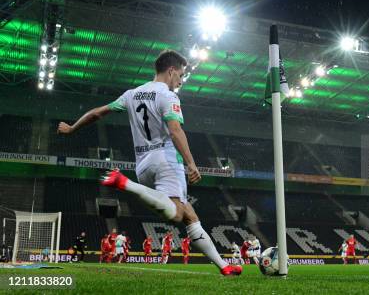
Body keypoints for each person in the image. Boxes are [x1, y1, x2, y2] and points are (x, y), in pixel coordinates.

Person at [57, 50, 241, 276]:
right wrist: (191, 163)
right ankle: (126, 184)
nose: (181, 81)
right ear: (171, 71)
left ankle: (224, 267)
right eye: (181, 75)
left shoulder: (132, 94)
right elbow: (175, 130)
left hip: (143, 164)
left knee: (190, 216)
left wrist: (72, 128)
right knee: (175, 214)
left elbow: (98, 113)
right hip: (166, 160)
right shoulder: (168, 96)